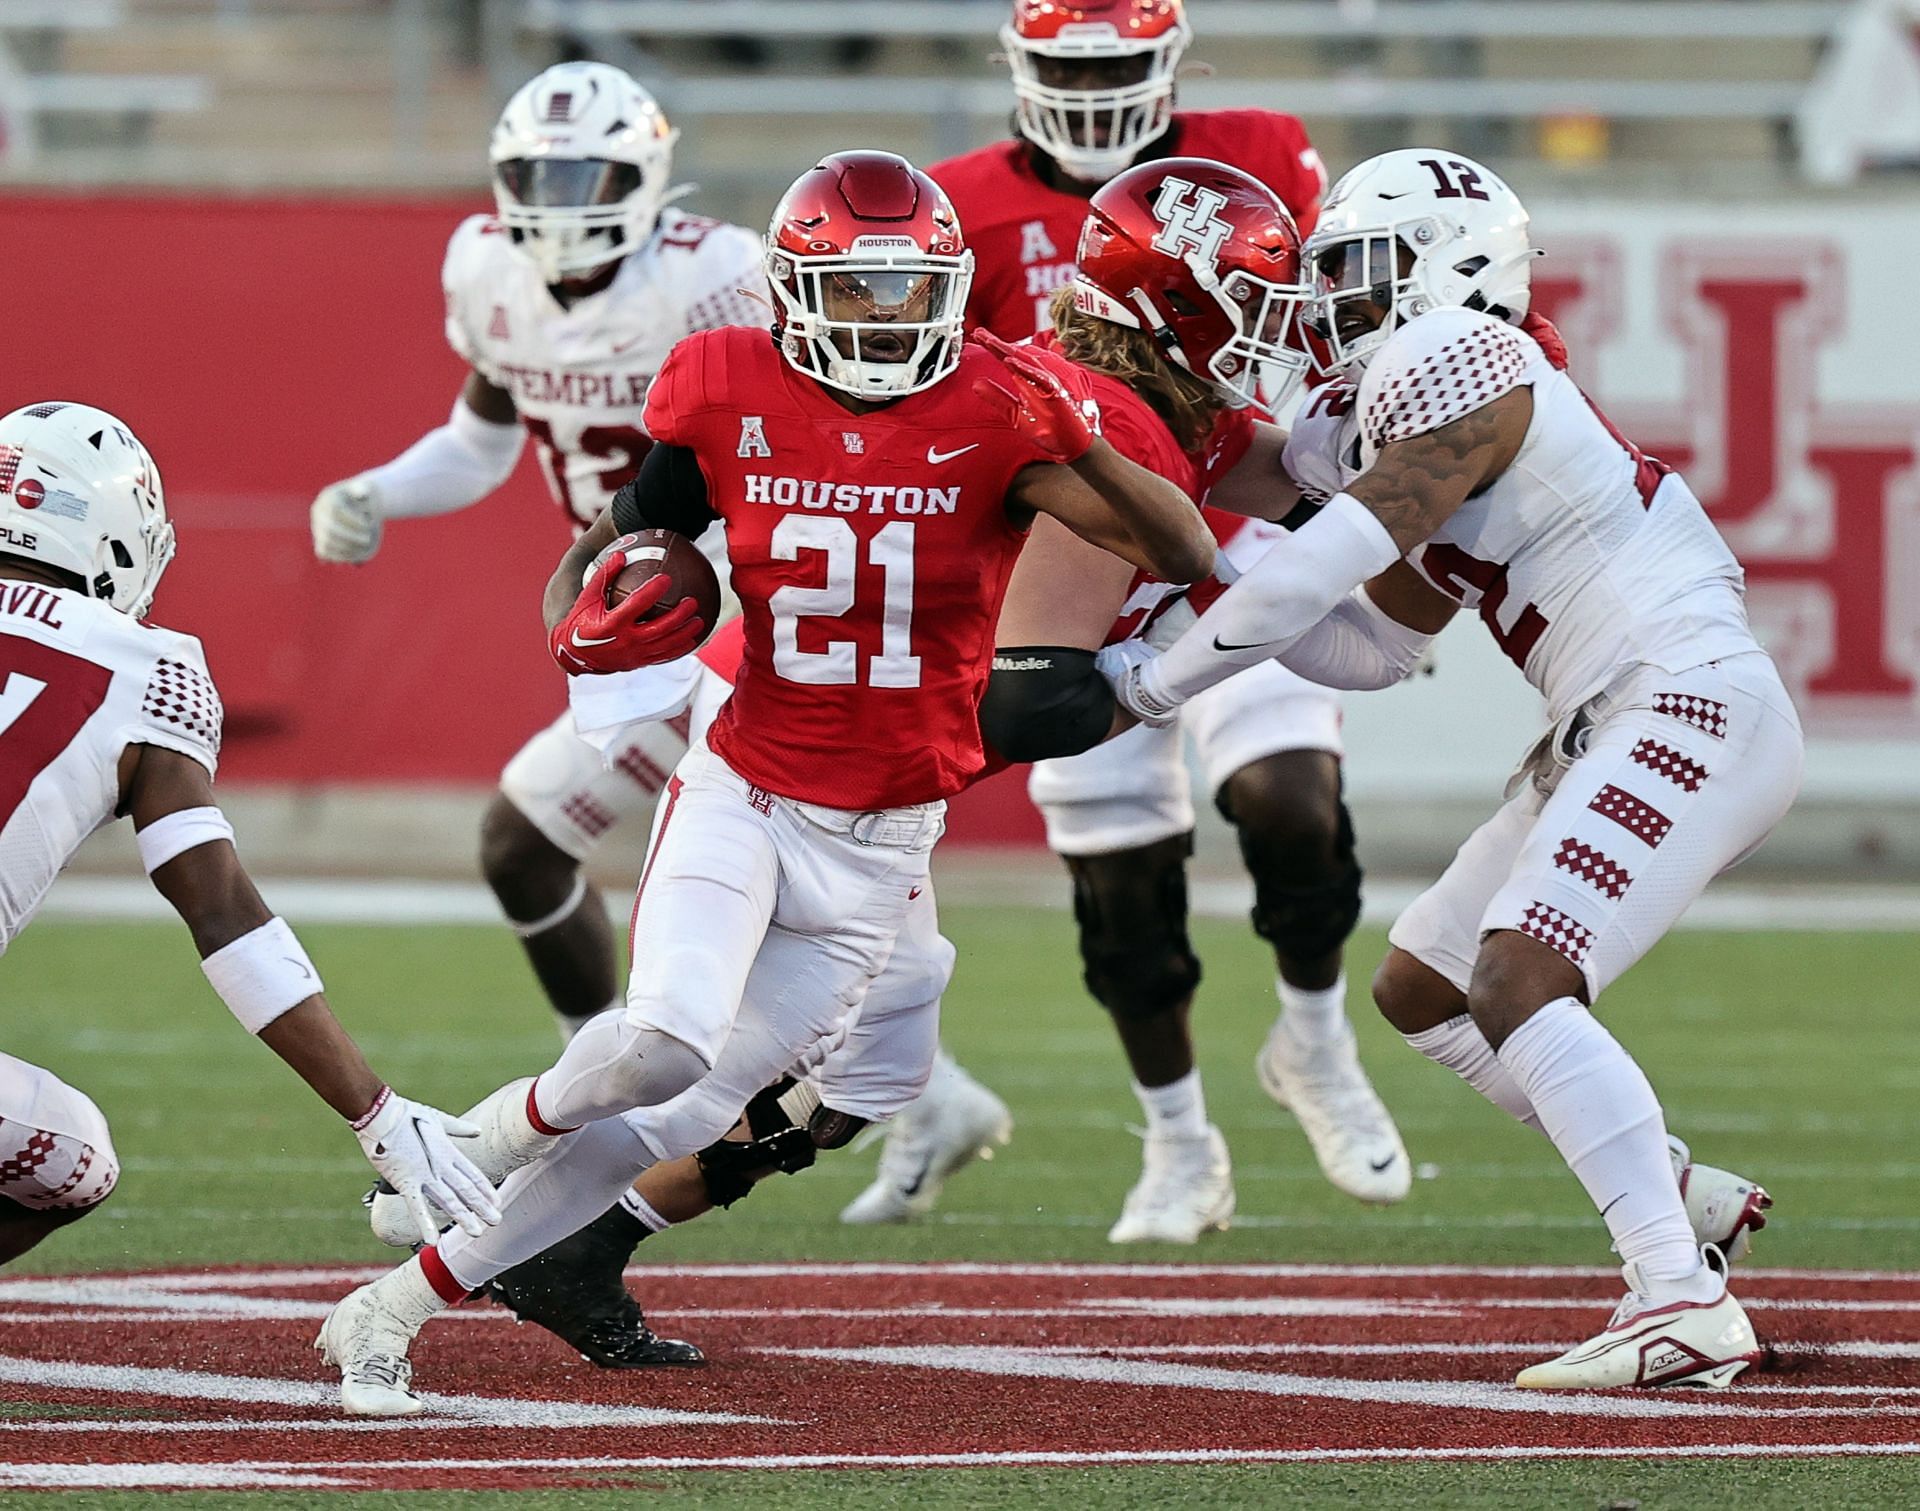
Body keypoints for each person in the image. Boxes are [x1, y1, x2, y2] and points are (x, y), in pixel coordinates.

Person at [315, 149, 1216, 1417]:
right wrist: (582, 629)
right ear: (794, 291)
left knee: (669, 1115)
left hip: (884, 840)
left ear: (948, 290)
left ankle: (390, 1303)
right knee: (662, 1040)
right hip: (744, 780)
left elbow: (1182, 543)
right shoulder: (723, 382)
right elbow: (595, 558)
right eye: (855, 291)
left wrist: (1077, 432)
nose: (884, 318)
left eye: (909, 292)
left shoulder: (1001, 406)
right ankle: (470, 1140)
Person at [1098, 148, 1796, 1388]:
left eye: (1358, 271)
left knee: (1521, 975)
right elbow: (1370, 641)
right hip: (1615, 713)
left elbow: (1319, 562)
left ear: (1455, 263)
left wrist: (1152, 681)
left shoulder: (1465, 353)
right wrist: (1165, 575)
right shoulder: (1411, 400)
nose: (1331, 303)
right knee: (1426, 984)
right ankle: (1672, 1188)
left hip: (1681, 696)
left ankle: (1676, 1295)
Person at [844, 0, 1410, 1234]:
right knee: (1125, 901)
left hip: (1212, 535)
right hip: (1075, 574)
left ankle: (1314, 1043)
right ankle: (1178, 1142)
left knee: (1291, 801)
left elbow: (1309, 380)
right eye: (1056, 64)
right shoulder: (972, 218)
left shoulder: (1250, 162)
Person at [309, 61, 767, 1044]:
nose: (559, 208)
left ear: (644, 175)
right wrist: (377, 490)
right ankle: (599, 1073)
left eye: (585, 180)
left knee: (728, 870)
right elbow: (480, 441)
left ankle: (608, 1094)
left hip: (739, 613)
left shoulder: (712, 272)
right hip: (634, 624)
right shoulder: (485, 269)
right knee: (534, 845)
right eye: (538, 180)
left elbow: (796, 444)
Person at [0, 401, 499, 1266]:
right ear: (115, 538)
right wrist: (376, 1113)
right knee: (73, 1158)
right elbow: (224, 914)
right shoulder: (143, 666)